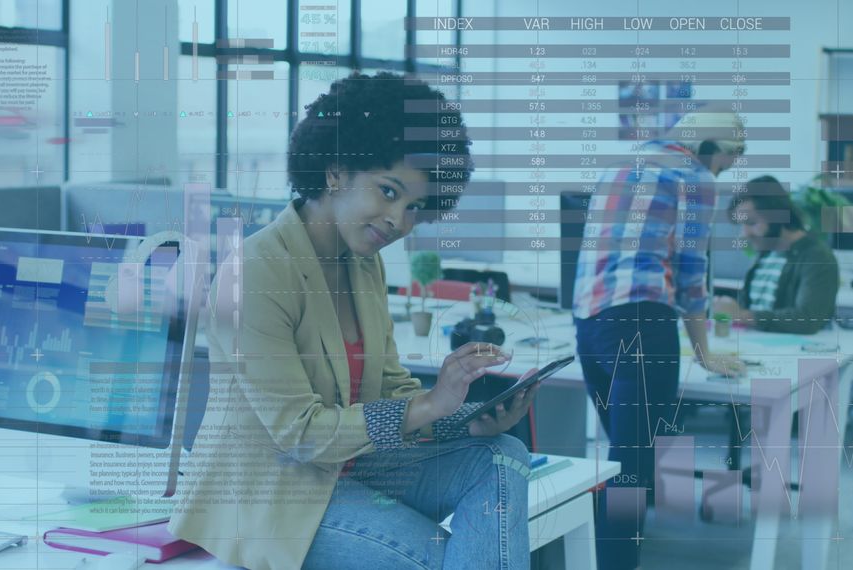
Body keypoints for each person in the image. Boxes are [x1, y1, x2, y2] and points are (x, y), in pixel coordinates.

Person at [170, 72, 537, 570]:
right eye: (388, 192)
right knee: (438, 554)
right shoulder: (254, 271)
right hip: (276, 492)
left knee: (502, 456)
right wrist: (427, 406)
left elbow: (388, 386)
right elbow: (300, 435)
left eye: (414, 208)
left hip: (351, 467)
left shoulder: (362, 262)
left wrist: (460, 418)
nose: (399, 221)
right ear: (336, 171)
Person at [572, 110, 748, 570]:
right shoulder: (694, 178)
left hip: (589, 327)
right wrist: (704, 351)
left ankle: (594, 552)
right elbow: (692, 271)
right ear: (715, 145)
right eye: (734, 154)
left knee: (626, 462)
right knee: (631, 470)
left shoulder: (621, 167)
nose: (730, 166)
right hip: (641, 325)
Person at [712, 175, 840, 334]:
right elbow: (752, 308)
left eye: (751, 223)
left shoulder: (817, 256)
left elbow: (807, 320)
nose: (744, 234)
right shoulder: (765, 255)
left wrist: (740, 315)